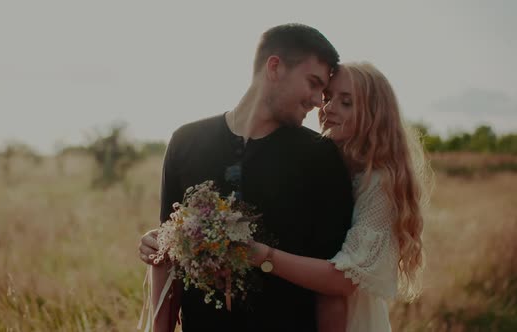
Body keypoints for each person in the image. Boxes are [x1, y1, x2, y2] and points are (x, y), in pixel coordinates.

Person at [139, 23, 354, 332]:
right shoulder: (185, 141)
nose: (319, 101)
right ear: (275, 67)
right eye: (312, 83)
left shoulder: (320, 156)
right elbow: (168, 261)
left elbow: (332, 288)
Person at [247, 62, 431, 331]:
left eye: (346, 102)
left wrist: (259, 254)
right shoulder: (325, 169)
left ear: (376, 115)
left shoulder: (380, 182)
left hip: (354, 322)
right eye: (328, 98)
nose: (328, 109)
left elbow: (343, 280)